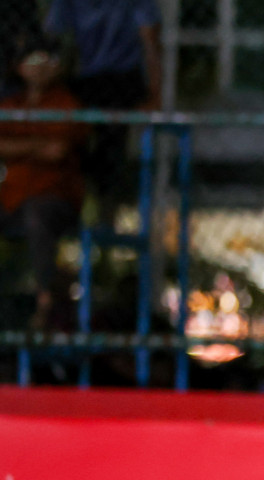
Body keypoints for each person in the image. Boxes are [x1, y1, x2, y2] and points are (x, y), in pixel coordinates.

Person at [0, 34, 85, 330]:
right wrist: (37, 147)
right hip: (10, 197)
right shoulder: (11, 104)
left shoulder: (67, 103)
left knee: (38, 217)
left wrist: (18, 147)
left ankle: (45, 303)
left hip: (55, 199)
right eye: (31, 60)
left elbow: (58, 150)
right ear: (19, 67)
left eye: (46, 60)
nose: (38, 67)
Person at [44, 0, 161, 205]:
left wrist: (154, 94)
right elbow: (54, 40)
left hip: (122, 77)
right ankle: (78, 193)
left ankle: (105, 199)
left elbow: (151, 42)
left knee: (110, 139)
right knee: (72, 133)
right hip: (84, 76)